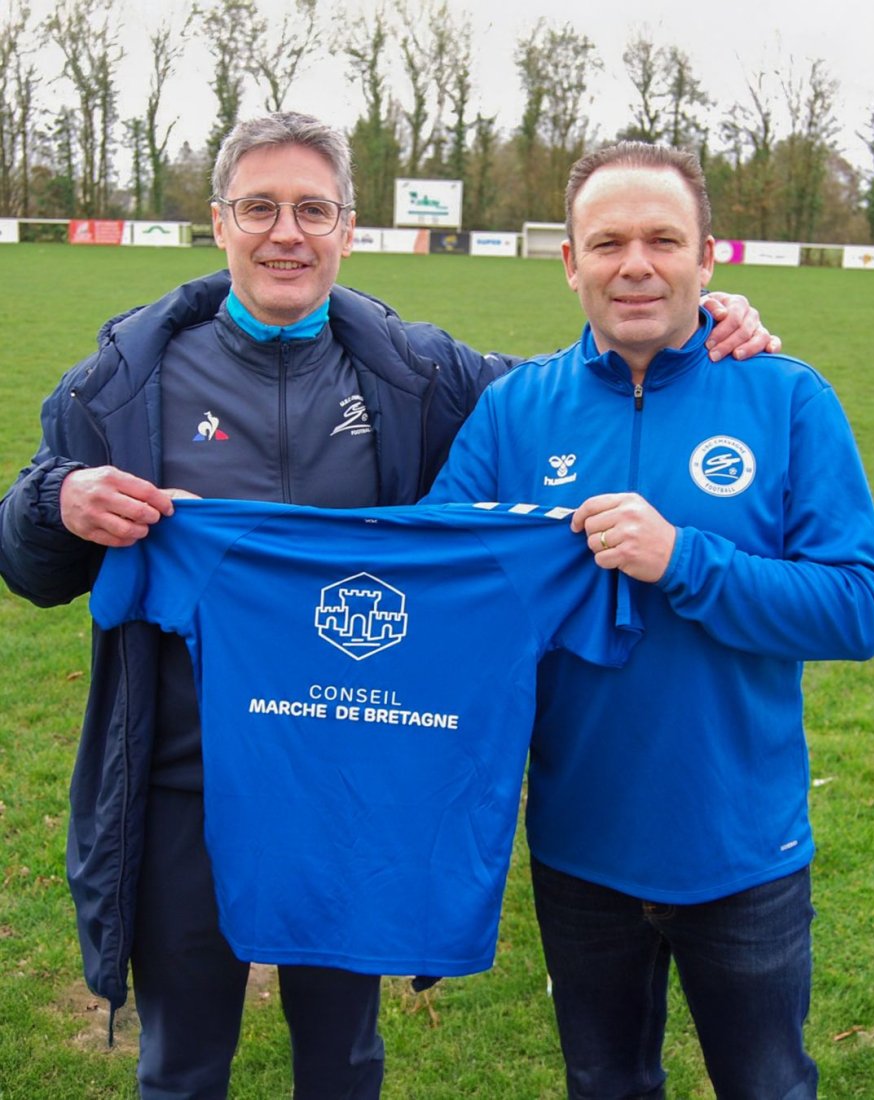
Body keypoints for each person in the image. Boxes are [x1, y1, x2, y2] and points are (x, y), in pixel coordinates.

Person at [0, 112, 775, 1100]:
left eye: (312, 210)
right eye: (261, 208)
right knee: (182, 1062)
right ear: (219, 222)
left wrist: (692, 319)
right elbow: (29, 558)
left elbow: (562, 397)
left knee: (345, 1059)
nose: (287, 233)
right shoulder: (122, 381)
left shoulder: (421, 374)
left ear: (348, 227)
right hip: (182, 782)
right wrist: (57, 501)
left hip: (354, 774)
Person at [425, 141, 874, 1098]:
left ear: (708, 257)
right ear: (570, 261)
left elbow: (857, 605)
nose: (636, 264)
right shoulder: (515, 412)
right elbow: (437, 586)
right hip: (579, 848)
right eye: (609, 241)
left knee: (767, 1086)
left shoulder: (788, 399)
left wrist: (685, 560)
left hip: (742, 848)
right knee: (606, 1084)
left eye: (663, 239)